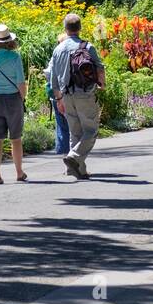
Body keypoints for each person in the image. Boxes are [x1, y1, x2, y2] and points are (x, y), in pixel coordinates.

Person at [49, 13, 106, 180]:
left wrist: (58, 99)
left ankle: (77, 170)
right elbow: (99, 67)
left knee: (75, 131)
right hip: (84, 93)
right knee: (91, 131)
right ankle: (74, 157)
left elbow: (53, 77)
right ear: (79, 28)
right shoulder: (87, 47)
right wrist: (102, 84)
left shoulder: (58, 49)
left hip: (66, 95)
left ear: (65, 29)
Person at [0, 23, 29, 184]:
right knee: (16, 139)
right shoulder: (15, 57)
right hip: (13, 99)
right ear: (10, 41)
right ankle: (19, 172)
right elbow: (21, 82)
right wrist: (22, 98)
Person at [43, 30, 70, 155]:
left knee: (61, 123)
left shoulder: (56, 54)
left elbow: (48, 73)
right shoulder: (73, 53)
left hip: (57, 93)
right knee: (73, 123)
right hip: (71, 93)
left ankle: (63, 151)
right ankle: (73, 154)